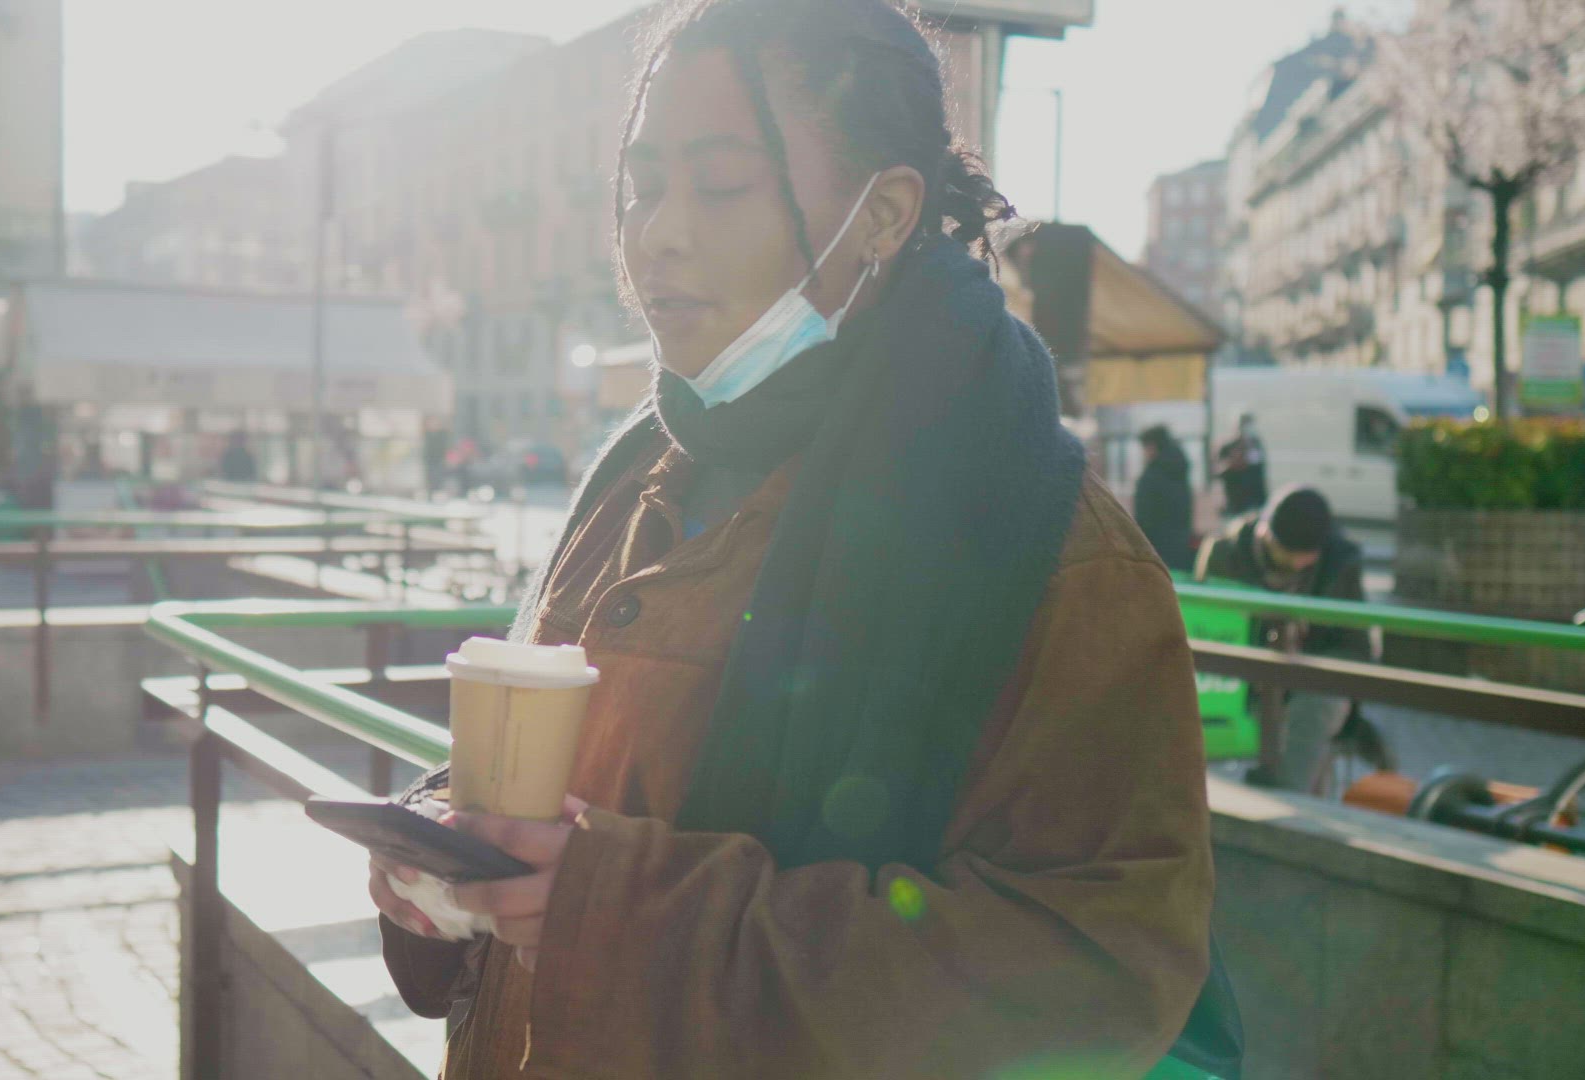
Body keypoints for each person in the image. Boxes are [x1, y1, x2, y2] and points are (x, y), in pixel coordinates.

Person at [367, 2, 1223, 1077]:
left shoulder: (1052, 556)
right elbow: (583, 792)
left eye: (722, 184)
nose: (657, 231)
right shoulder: (639, 466)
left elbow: (1102, 967)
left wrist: (619, 908)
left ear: (885, 215)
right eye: (642, 185)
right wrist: (450, 847)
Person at [1195, 484, 1370, 793]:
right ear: (1264, 534)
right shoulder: (1225, 553)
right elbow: (1204, 626)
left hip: (1307, 681)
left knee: (1315, 709)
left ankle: (1291, 809)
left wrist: (1307, 668)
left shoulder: (1339, 563)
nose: (1301, 564)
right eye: (1289, 556)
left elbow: (1355, 648)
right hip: (1240, 674)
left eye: (1308, 558)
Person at [1134, 424, 1195, 570]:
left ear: (1152, 447)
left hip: (1156, 547)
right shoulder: (1179, 471)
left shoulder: (1151, 477)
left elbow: (1144, 516)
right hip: (1181, 542)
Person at [1215, 412, 1268, 516]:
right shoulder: (1226, 446)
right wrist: (1232, 463)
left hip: (1254, 501)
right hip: (1233, 500)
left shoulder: (1256, 444)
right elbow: (1217, 472)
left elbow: (1259, 470)